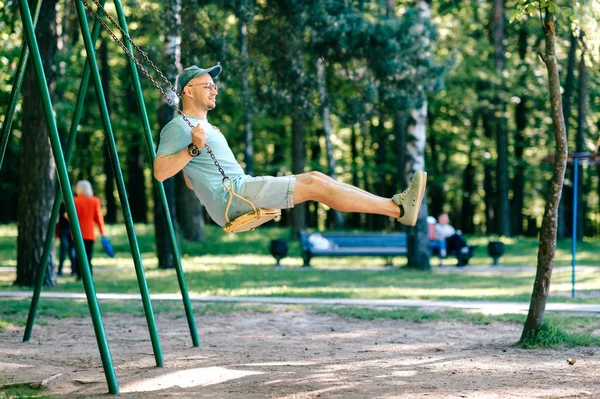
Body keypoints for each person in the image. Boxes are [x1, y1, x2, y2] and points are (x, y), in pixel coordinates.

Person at [154, 64, 427, 228]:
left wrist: (194, 161)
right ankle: (397, 209)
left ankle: (395, 205)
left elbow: (191, 178)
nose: (215, 89)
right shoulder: (179, 126)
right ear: (188, 90)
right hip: (234, 196)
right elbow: (160, 172)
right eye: (208, 85)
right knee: (315, 184)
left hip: (237, 190)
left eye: (215, 85)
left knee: (318, 178)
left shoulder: (201, 128)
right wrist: (192, 149)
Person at [70, 180, 106, 279]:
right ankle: (88, 275)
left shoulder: (74, 200)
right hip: (89, 233)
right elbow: (98, 217)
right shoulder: (95, 201)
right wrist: (102, 231)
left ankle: (78, 275)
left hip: (77, 232)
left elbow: (72, 216)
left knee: (78, 256)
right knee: (88, 255)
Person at [56, 202, 75, 277]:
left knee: (71, 251)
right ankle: (60, 270)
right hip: (63, 231)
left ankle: (73, 270)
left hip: (70, 231)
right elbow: (66, 215)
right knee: (63, 251)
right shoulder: (62, 205)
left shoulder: (72, 203)